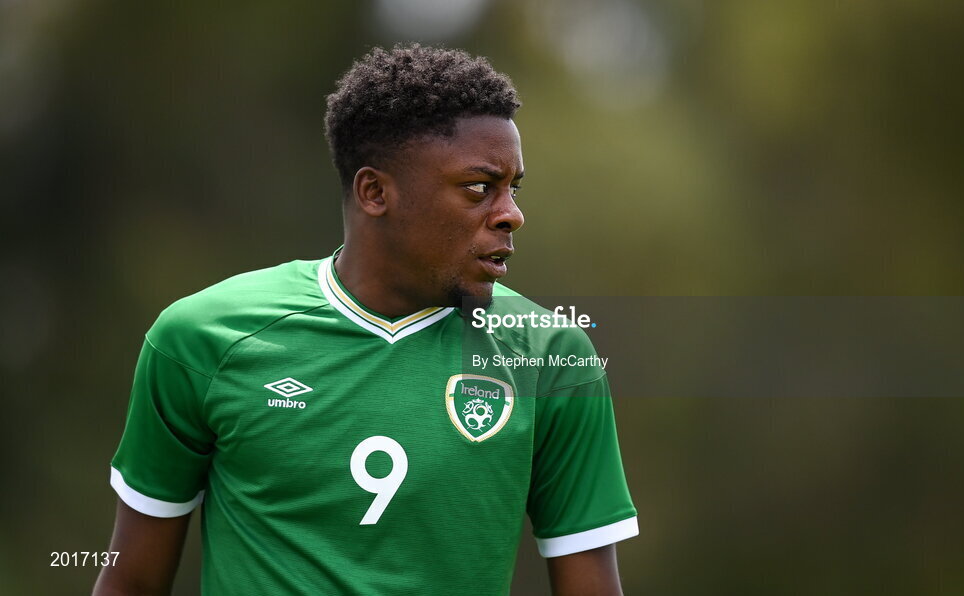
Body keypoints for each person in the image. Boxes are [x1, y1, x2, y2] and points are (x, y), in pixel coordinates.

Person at [94, 44, 637, 595]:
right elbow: (129, 582)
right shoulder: (201, 341)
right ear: (375, 192)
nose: (511, 214)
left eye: (512, 188)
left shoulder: (553, 358)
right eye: (479, 187)